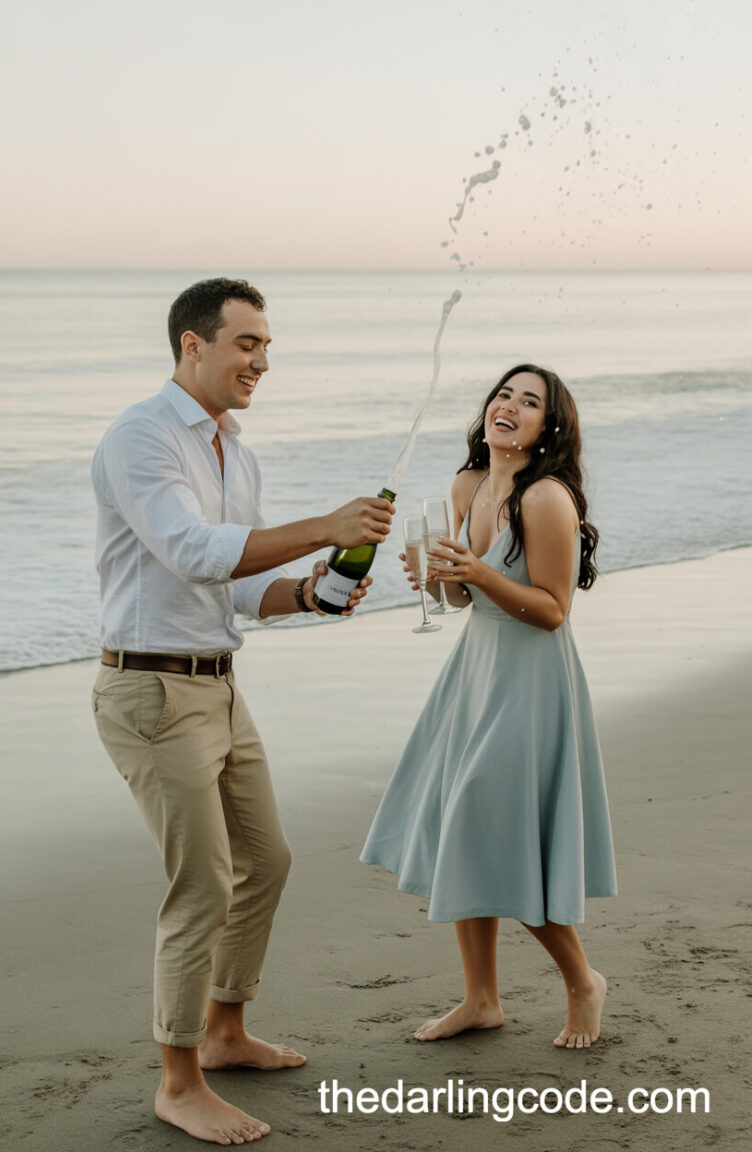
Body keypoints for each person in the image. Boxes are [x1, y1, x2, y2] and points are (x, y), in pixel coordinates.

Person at [91, 277, 394, 1146]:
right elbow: (191, 551)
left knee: (267, 859)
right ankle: (177, 1081)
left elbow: (242, 579)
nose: (262, 359)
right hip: (149, 689)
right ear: (194, 344)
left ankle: (225, 1032)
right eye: (246, 343)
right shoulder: (140, 437)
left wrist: (310, 588)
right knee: (202, 883)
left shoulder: (235, 450)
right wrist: (323, 523)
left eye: (267, 346)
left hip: (218, 684)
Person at [360, 364, 616, 1050]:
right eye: (505, 393)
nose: (511, 406)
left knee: (495, 827)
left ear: (548, 426)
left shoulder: (547, 499)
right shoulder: (468, 485)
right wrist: (438, 579)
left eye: (530, 402)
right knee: (464, 828)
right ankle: (481, 999)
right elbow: (461, 601)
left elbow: (554, 612)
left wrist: (475, 572)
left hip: (531, 682)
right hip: (476, 673)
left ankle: (583, 981)